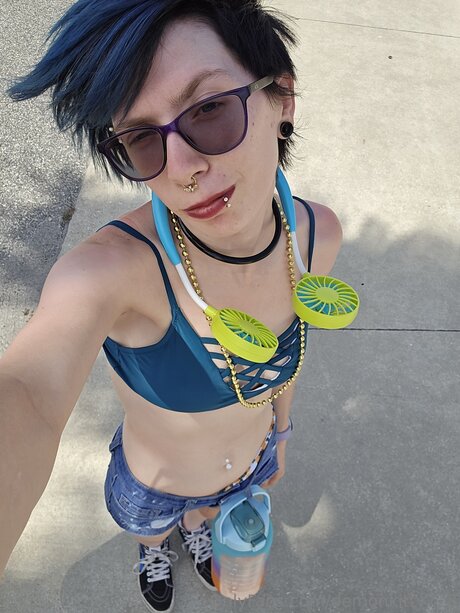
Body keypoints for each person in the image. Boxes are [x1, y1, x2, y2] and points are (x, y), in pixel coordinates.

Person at [1, 1, 342, 611]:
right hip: (153, 485)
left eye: (209, 109)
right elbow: (27, 394)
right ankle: (157, 548)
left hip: (250, 466)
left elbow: (292, 353)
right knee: (154, 529)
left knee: (206, 517)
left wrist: (282, 432)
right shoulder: (113, 271)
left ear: (282, 100)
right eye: (141, 139)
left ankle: (198, 529)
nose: (182, 169)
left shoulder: (316, 236)